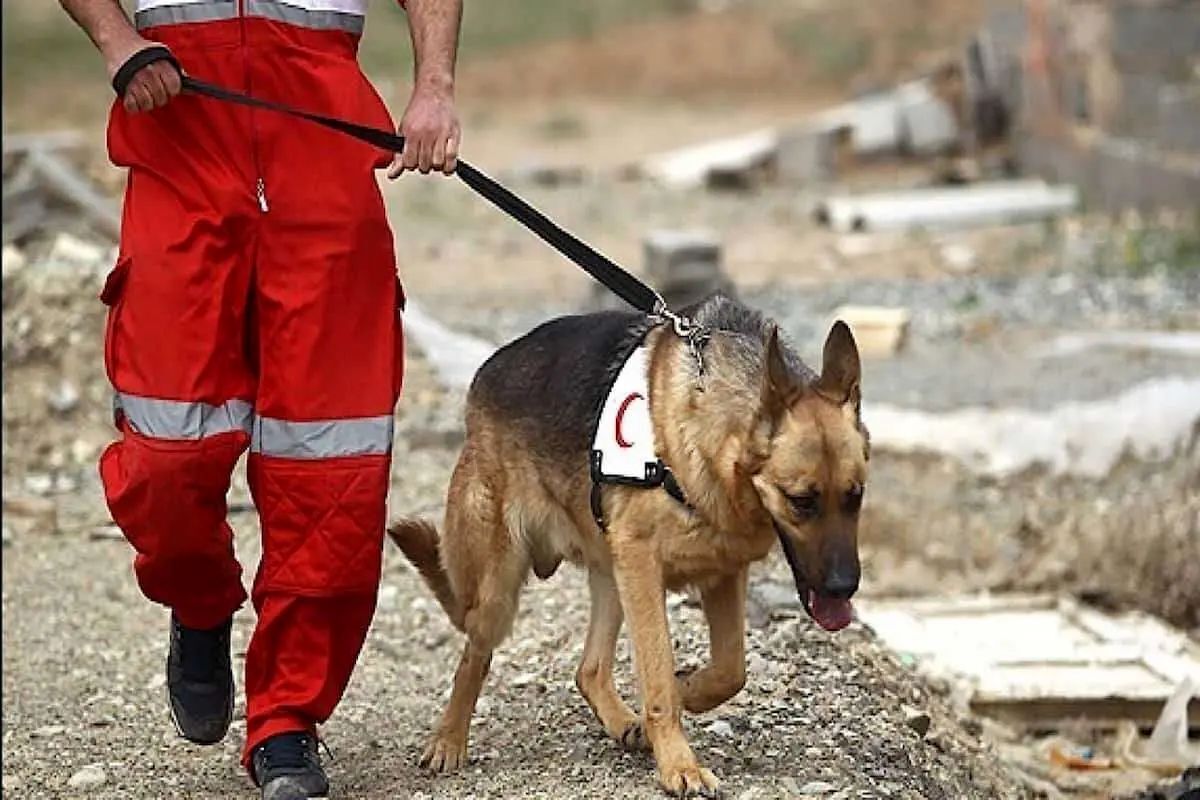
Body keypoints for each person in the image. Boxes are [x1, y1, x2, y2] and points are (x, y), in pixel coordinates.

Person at [57, 1, 462, 797]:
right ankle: (200, 599)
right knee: (164, 456)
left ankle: (286, 724)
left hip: (321, 140)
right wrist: (116, 39)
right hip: (177, 125)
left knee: (332, 470)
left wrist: (434, 85)